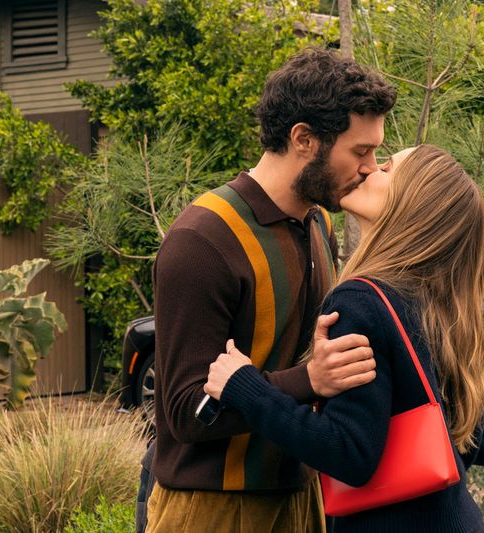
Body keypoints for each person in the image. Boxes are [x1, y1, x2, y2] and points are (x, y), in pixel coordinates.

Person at [146, 48, 397, 533]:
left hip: (302, 498)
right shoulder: (202, 240)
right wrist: (309, 380)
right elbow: (185, 411)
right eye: (359, 151)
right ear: (303, 139)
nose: (370, 167)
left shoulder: (318, 223)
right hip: (211, 509)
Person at [206, 144, 484, 533]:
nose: (369, 169)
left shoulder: (361, 301)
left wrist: (246, 389)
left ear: (411, 204)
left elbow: (348, 453)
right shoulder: (445, 305)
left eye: (387, 168)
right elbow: (483, 443)